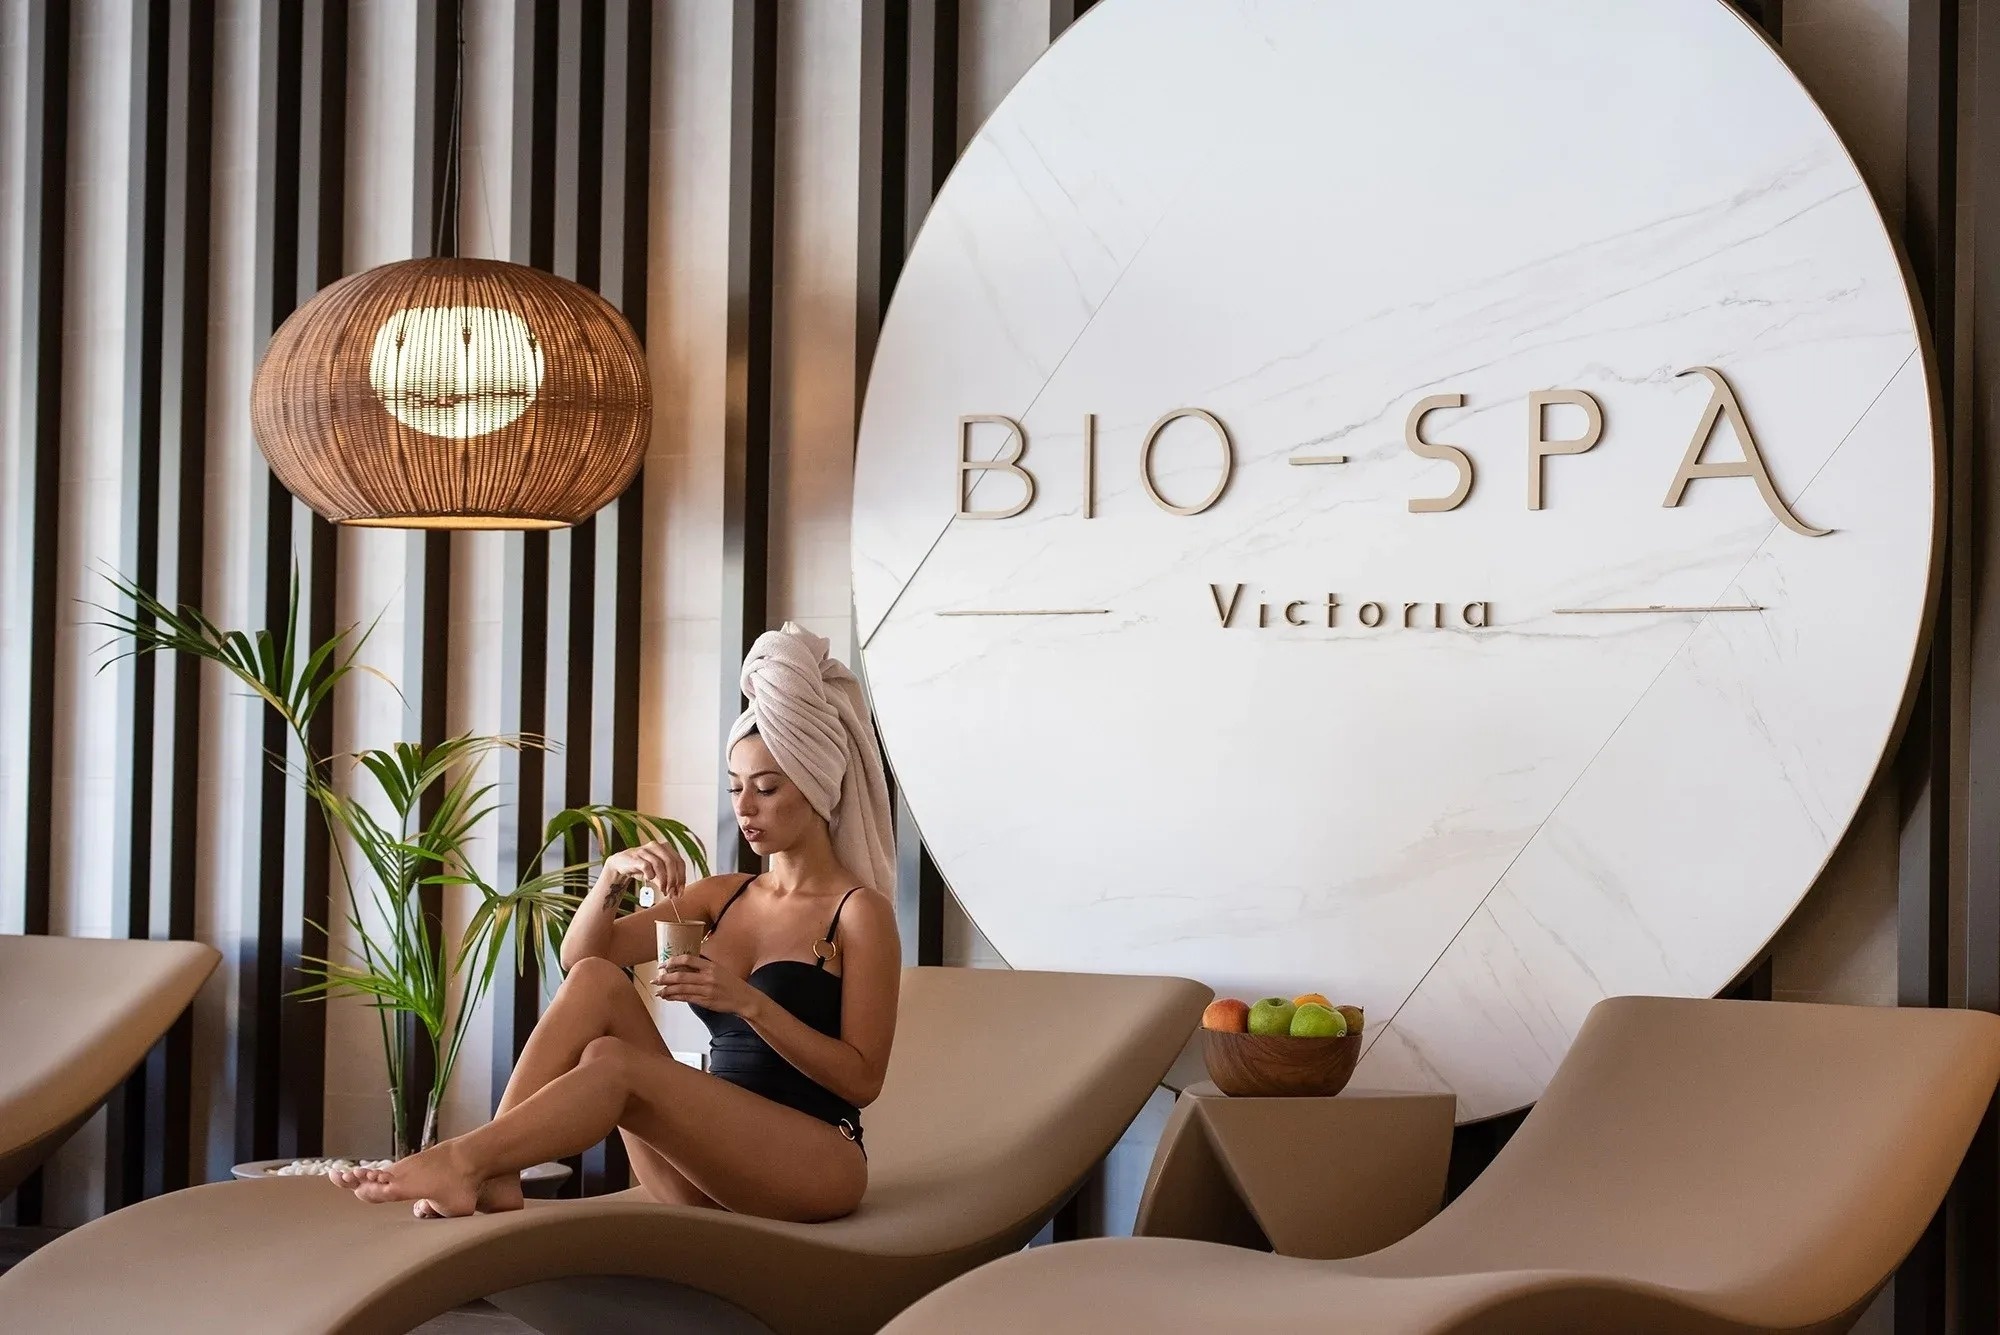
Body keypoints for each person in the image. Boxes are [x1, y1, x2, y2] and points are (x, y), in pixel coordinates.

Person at [332, 623, 900, 1222]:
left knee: (615, 1061)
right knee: (597, 984)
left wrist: (748, 1003)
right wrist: (612, 877)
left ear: (815, 786)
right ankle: (495, 1174)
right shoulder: (724, 896)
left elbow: (862, 1081)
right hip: (703, 1164)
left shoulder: (858, 911)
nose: (744, 807)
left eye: (766, 788)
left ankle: (462, 1161)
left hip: (814, 1162)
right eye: (735, 788)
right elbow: (581, 959)